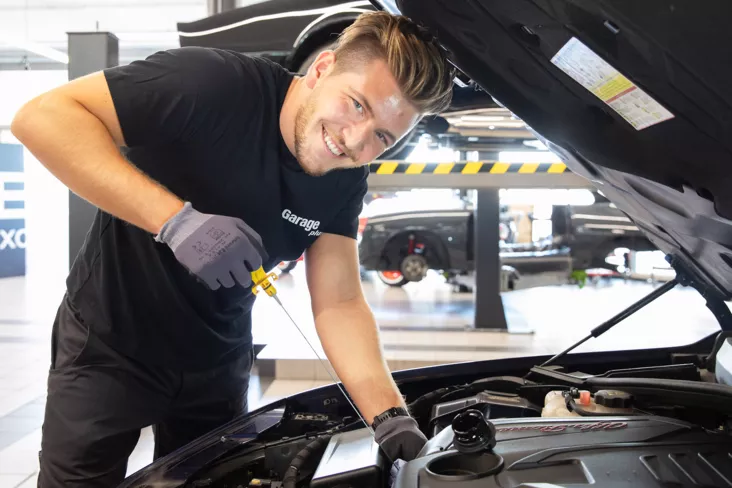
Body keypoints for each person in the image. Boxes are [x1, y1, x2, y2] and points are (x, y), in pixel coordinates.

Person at [11, 11, 453, 487]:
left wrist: (389, 415)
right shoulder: (213, 84)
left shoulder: (345, 179)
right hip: (110, 344)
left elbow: (340, 301)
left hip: (217, 362)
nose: (354, 142)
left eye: (383, 137)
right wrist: (176, 222)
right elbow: (42, 118)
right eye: (357, 105)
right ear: (322, 68)